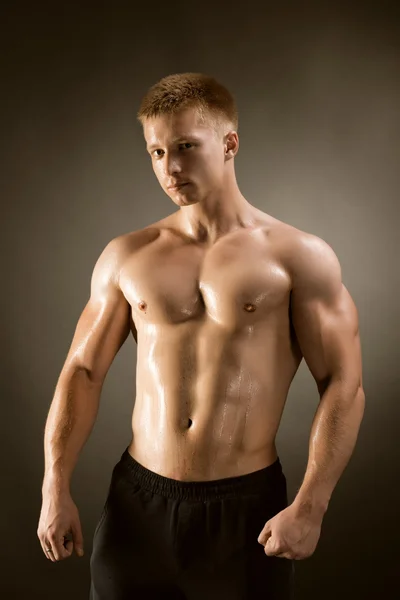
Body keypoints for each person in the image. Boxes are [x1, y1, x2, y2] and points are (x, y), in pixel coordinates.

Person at [37, 72, 365, 599]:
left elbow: (344, 387)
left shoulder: (297, 257)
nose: (170, 167)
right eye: (157, 152)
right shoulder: (128, 256)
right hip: (136, 506)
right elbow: (83, 370)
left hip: (246, 511)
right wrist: (55, 485)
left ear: (230, 143)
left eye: (186, 147)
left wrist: (311, 505)